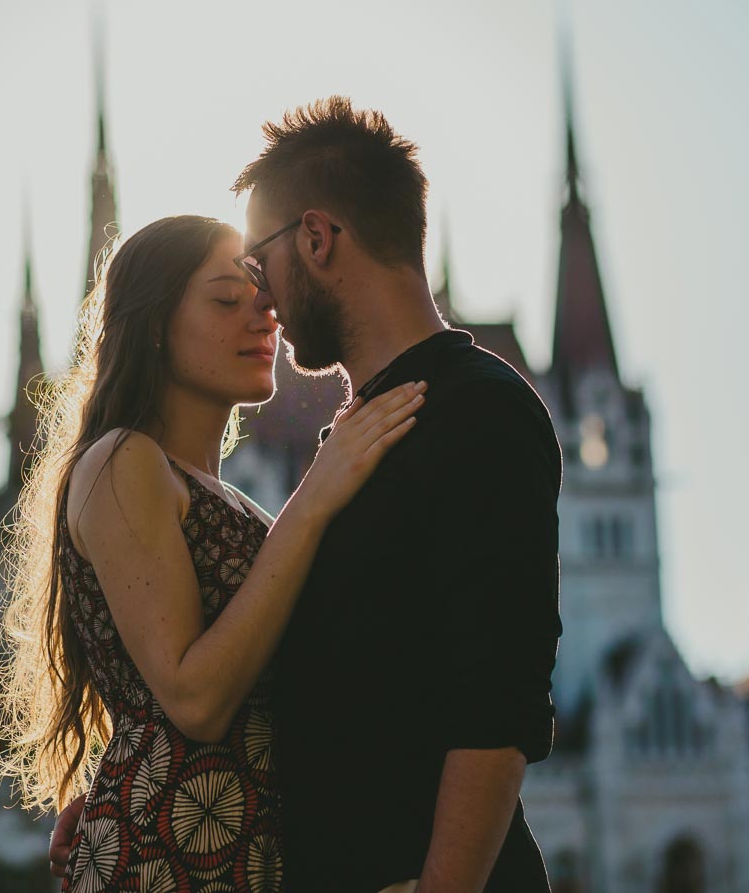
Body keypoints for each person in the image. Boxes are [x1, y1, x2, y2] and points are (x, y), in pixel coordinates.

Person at [0, 213, 425, 892]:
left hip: (236, 853)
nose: (264, 316)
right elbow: (193, 700)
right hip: (169, 860)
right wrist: (314, 500)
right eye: (226, 300)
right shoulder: (125, 459)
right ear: (154, 326)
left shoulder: (238, 506)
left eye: (263, 297)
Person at [229, 97, 563, 892]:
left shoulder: (476, 408)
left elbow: (498, 703)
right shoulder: (356, 436)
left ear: (316, 238)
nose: (261, 298)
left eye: (259, 264)